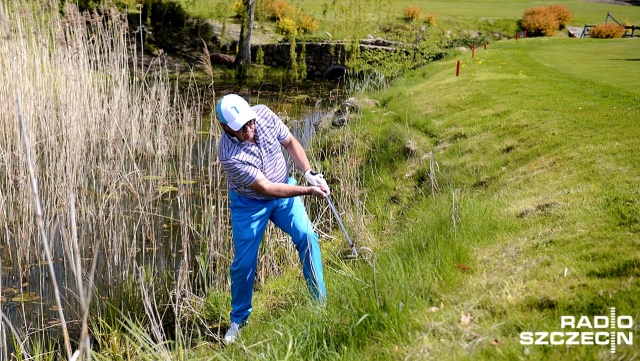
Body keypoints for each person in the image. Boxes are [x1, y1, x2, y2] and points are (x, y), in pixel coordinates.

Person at [216, 94, 330, 344]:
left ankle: (319, 303)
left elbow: (289, 141)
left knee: (308, 236)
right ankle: (239, 319)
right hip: (249, 205)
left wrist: (308, 172)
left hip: (284, 188)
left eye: (250, 122)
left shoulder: (264, 114)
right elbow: (267, 188)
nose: (249, 129)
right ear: (226, 128)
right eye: (241, 127)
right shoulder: (228, 154)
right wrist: (308, 190)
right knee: (244, 263)